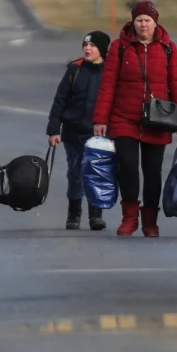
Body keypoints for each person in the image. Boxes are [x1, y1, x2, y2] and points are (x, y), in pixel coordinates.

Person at [92, 1, 177, 238]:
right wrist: (100, 119)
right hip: (124, 117)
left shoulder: (168, 48)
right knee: (127, 167)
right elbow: (108, 85)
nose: (143, 25)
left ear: (156, 22)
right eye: (139, 20)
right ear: (132, 22)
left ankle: (150, 221)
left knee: (152, 171)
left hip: (158, 120)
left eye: (147, 20)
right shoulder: (119, 47)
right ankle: (129, 218)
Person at [47, 30, 111, 232]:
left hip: (99, 134)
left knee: (97, 173)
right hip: (73, 132)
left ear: (102, 49)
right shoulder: (74, 70)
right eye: (85, 45)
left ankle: (96, 215)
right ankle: (74, 214)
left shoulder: (111, 72)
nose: (87, 48)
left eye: (92, 46)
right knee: (75, 173)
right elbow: (60, 100)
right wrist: (53, 129)